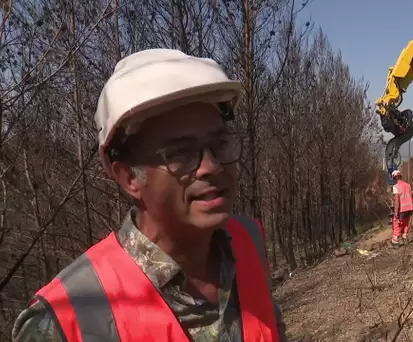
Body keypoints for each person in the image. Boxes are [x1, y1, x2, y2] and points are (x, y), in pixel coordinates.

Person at [12, 49, 286, 341]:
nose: (212, 166)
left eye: (220, 143)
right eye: (181, 153)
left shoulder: (248, 241)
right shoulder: (66, 319)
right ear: (129, 177)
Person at [391, 170, 413, 245]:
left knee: (397, 223)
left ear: (394, 178)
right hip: (410, 208)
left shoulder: (395, 187)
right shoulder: (408, 185)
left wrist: (395, 213)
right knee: (405, 222)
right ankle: (405, 237)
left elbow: (397, 201)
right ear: (400, 176)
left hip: (401, 208)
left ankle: (396, 240)